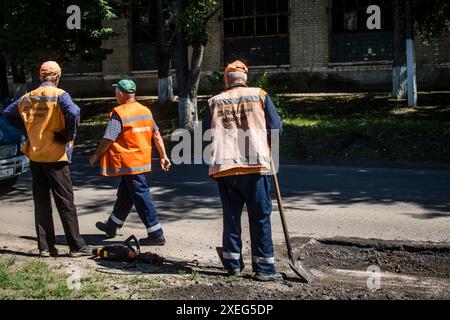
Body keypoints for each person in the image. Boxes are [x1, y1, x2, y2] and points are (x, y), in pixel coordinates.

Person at [203, 60, 283, 281]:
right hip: (256, 166)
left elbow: (206, 135)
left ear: (226, 79)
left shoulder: (214, 102)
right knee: (260, 218)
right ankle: (264, 269)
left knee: (231, 218)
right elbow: (276, 128)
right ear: (246, 78)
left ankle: (233, 266)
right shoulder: (260, 95)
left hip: (225, 169)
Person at [2, 61, 92, 257]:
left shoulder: (27, 97)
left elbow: (8, 114)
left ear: (41, 76)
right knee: (65, 201)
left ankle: (45, 247)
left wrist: (28, 129)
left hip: (36, 156)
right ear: (57, 77)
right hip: (56, 156)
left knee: (41, 202)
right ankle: (76, 247)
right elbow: (74, 112)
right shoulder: (60, 95)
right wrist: (68, 134)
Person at [90, 79, 171, 246]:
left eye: (116, 92)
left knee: (141, 196)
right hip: (140, 160)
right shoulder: (145, 111)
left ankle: (156, 233)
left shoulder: (120, 113)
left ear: (121, 94)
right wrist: (163, 156)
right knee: (126, 193)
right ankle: (112, 225)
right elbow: (156, 134)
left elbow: (108, 138)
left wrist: (96, 155)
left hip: (127, 161)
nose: (115, 95)